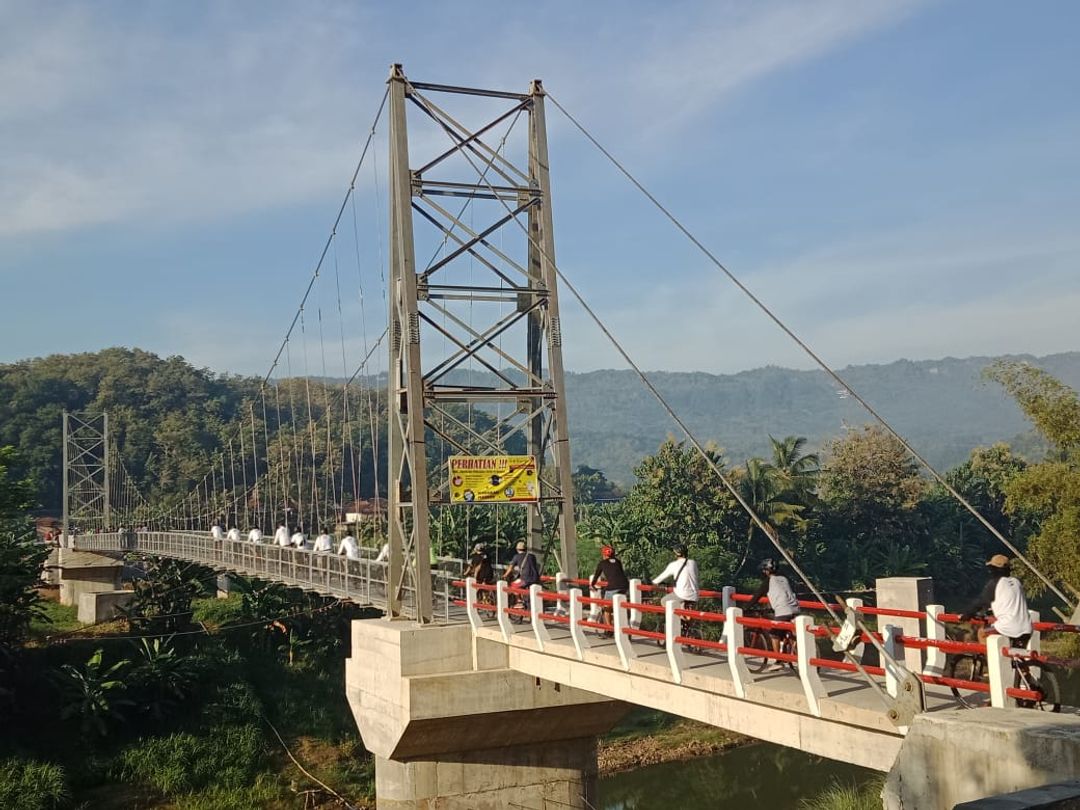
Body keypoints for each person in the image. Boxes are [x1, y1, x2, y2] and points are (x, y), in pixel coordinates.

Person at [960, 554, 1033, 648]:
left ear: (993, 569)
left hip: (1008, 627)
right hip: (1027, 628)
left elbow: (980, 601)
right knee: (1017, 656)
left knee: (982, 633)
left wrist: (967, 614)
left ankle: (991, 661)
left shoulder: (995, 583)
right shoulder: (1016, 582)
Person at [752, 558, 799, 672]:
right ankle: (795, 650)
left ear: (767, 571)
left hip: (783, 610)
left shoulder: (768, 581)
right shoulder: (783, 579)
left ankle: (778, 661)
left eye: (764, 570)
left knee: (774, 634)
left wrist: (745, 608)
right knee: (788, 632)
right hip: (795, 608)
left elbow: (756, 596)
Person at [652, 544, 700, 645]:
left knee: (664, 601)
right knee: (683, 606)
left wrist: (654, 582)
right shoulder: (693, 563)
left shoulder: (674, 565)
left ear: (676, 554)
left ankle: (679, 618)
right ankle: (685, 622)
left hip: (681, 594)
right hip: (694, 595)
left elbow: (660, 578)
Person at [589, 545, 629, 638]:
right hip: (624, 586)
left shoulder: (602, 563)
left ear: (604, 555)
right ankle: (623, 626)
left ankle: (609, 630)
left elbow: (596, 576)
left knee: (607, 609)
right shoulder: (618, 562)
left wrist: (592, 585)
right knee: (619, 607)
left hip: (613, 587)